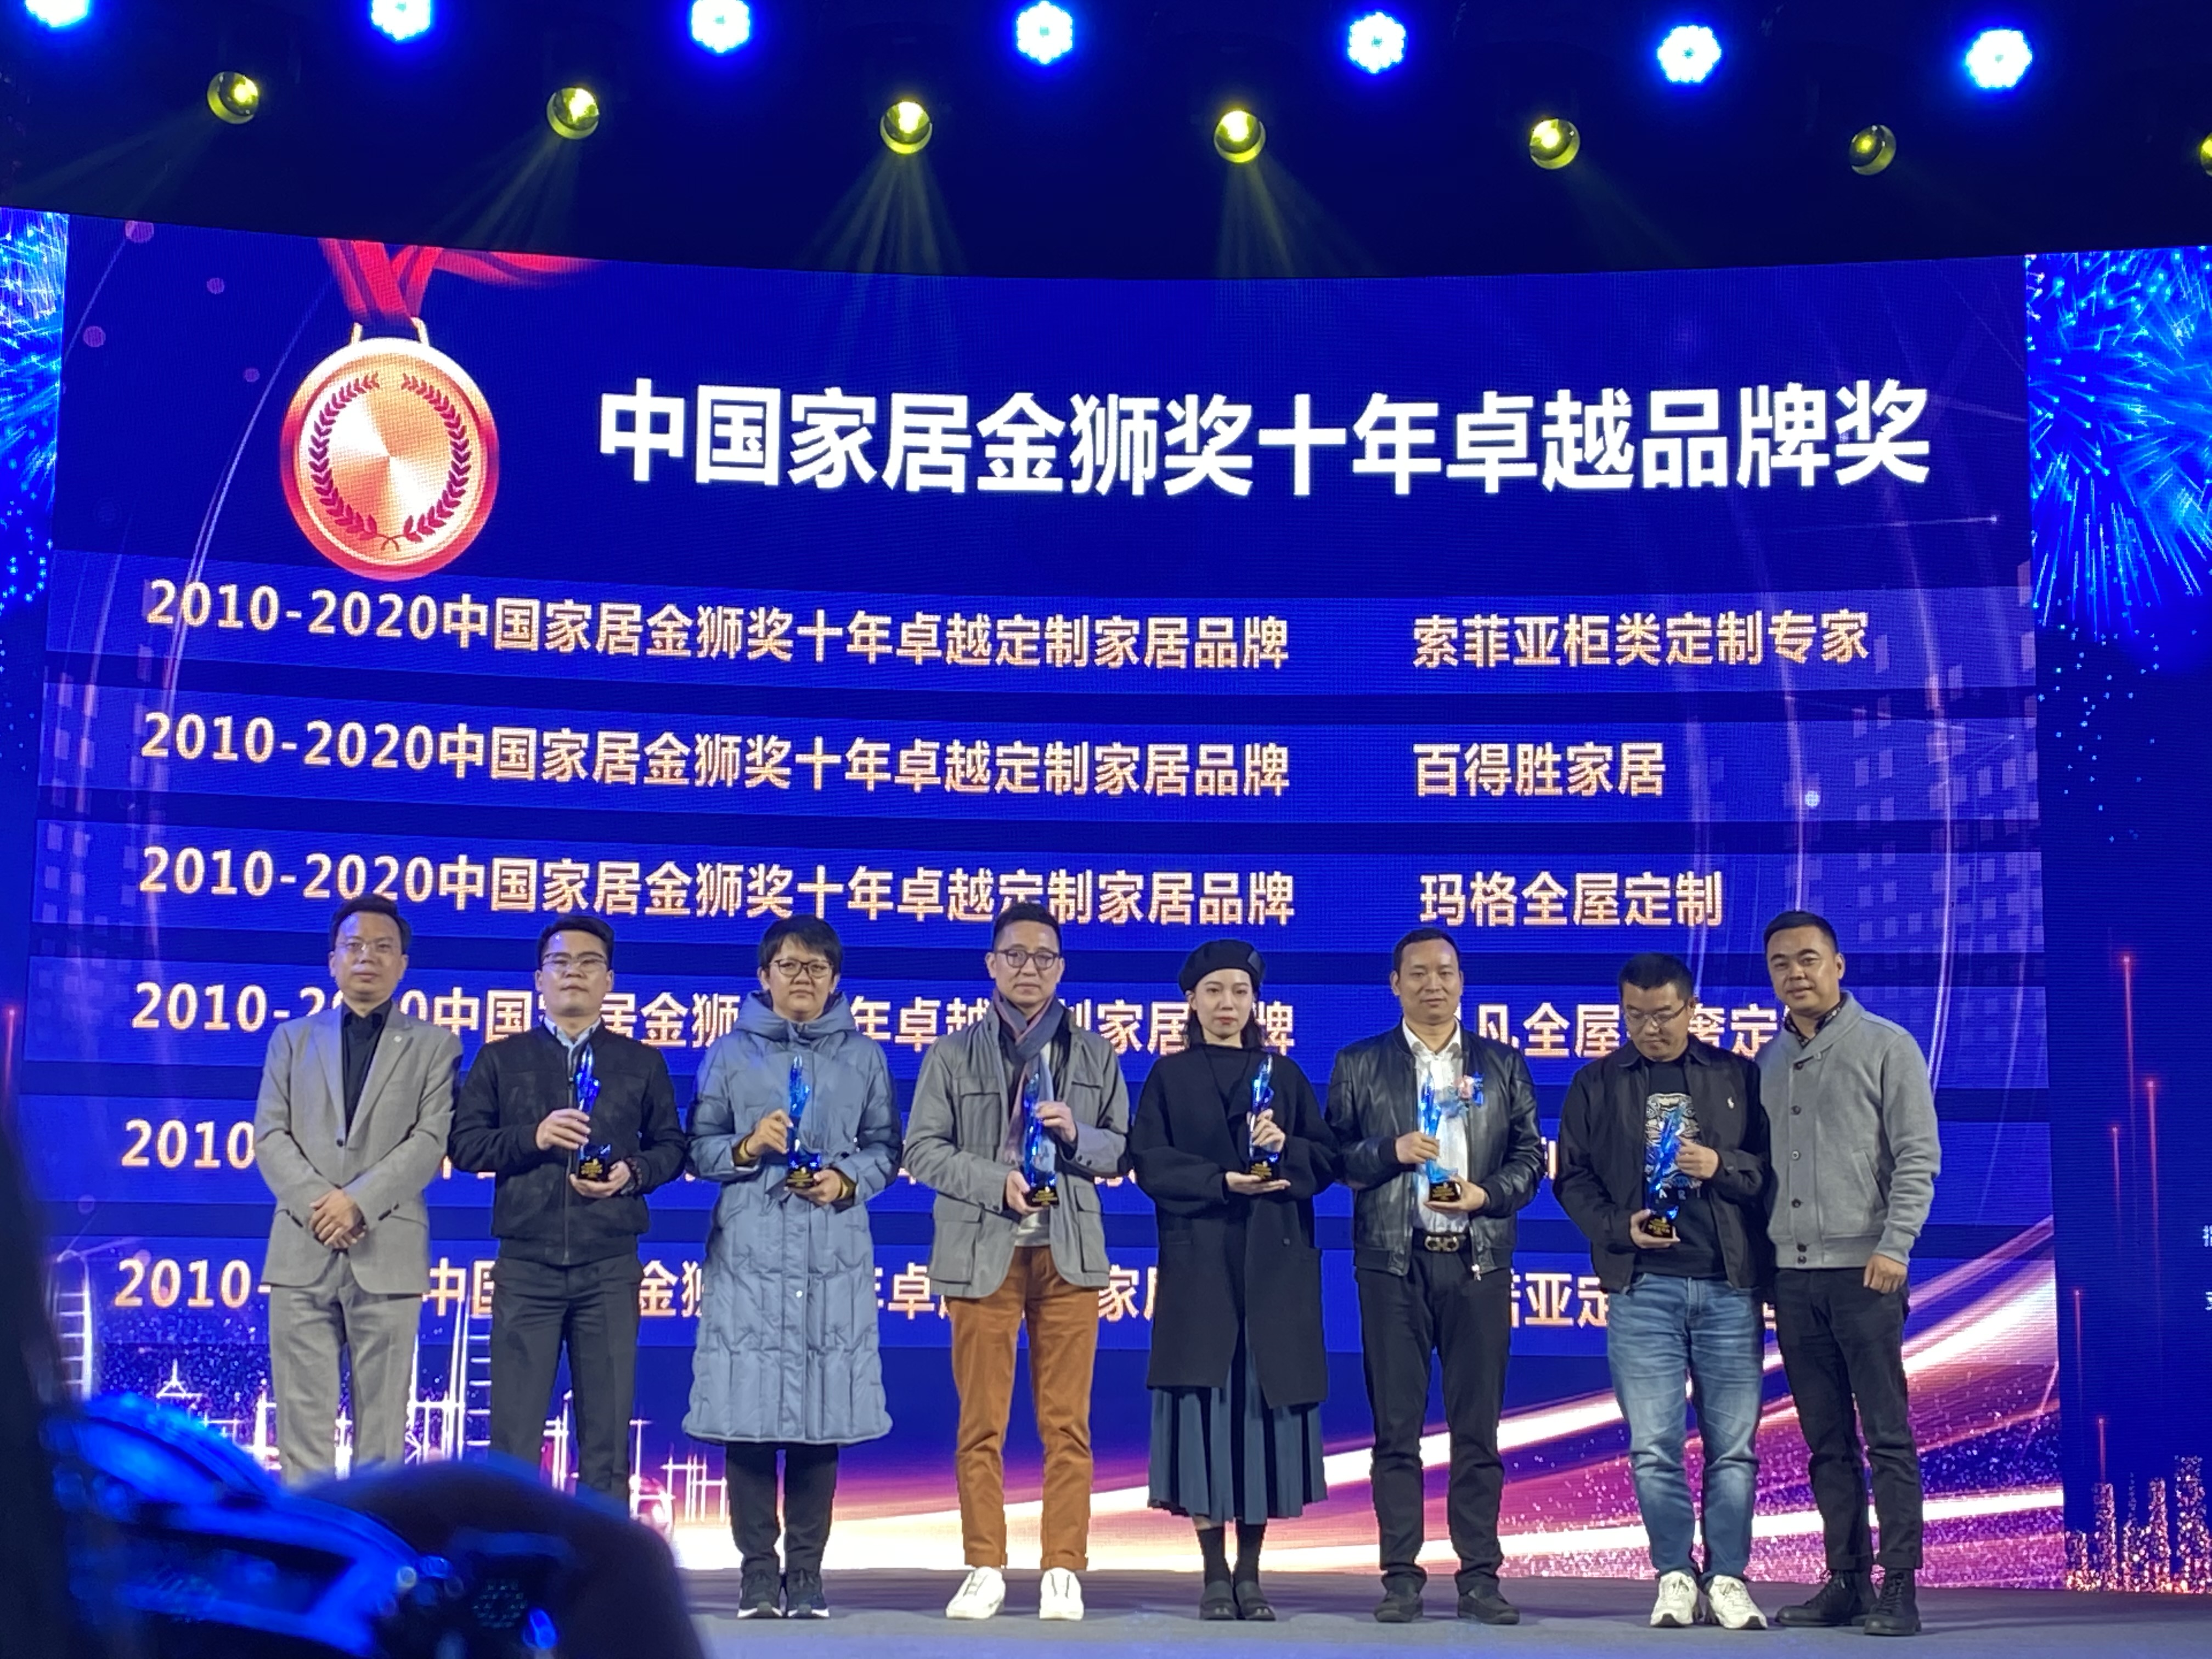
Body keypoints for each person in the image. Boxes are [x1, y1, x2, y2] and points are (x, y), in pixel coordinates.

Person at [903, 901, 1131, 1623]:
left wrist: (1077, 1137)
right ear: (991, 964)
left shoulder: (1093, 1053)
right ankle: (985, 1565)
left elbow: (1123, 1150)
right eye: (1015, 955)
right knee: (982, 1424)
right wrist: (993, 1180)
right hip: (983, 1252)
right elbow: (921, 1150)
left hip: (1068, 1252)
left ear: (1061, 969)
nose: (1029, 968)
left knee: (1068, 1424)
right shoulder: (951, 1054)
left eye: (1043, 957)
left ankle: (1063, 1567)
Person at [1325, 926, 1544, 1626]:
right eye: (1418, 973)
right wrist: (1389, 1151)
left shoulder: (1501, 1064)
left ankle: (1479, 1577)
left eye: (1445, 972)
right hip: (1394, 1263)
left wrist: (1487, 1195)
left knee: (1477, 1430)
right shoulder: (1360, 1064)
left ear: (1462, 981)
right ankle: (1401, 1577)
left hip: (1477, 1262)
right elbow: (1333, 1158)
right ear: (1395, 984)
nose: (1433, 984)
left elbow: (1530, 1159)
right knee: (1396, 1430)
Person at [684, 917, 900, 1620]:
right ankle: (756, 1573)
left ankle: (806, 1573)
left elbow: (886, 1148)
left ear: (835, 981)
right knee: (746, 1417)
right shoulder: (729, 1054)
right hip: (749, 1255)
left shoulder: (863, 1056)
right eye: (789, 966)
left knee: (820, 1416)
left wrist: (846, 1180)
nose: (802, 978)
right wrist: (747, 1147)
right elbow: (697, 1148)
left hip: (830, 1253)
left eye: (816, 968)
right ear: (764, 977)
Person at [1555, 952, 1774, 1631]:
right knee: (1654, 1446)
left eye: (1664, 1014)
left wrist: (1720, 1164)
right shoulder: (1596, 1083)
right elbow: (1572, 1178)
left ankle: (1728, 1576)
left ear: (1691, 1008)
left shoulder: (1737, 1075)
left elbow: (1769, 1169)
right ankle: (1675, 1573)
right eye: (1636, 1016)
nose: (1650, 1028)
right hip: (1643, 1287)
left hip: (1727, 1285)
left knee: (1733, 1447)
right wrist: (1617, 1228)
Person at [448, 913, 687, 1508]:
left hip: (609, 1268)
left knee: (606, 1443)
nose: (573, 973)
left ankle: (601, 1562)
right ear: (539, 979)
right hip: (526, 1268)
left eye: (588, 963)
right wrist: (533, 1136)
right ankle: (508, 1560)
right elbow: (465, 1145)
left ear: (609, 980)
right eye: (560, 962)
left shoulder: (640, 1062)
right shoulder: (501, 1059)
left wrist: (633, 1174)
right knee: (513, 1442)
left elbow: (672, 1148)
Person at [1130, 940, 1336, 1622]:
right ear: (1191, 1001)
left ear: (1255, 1002)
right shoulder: (1169, 1077)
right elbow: (1149, 1162)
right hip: (1201, 1268)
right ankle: (1214, 1573)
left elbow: (1326, 1160)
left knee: (1258, 1424)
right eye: (1214, 991)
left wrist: (1287, 1150)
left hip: (1273, 1270)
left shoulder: (1285, 1075)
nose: (1227, 1004)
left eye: (1239, 992)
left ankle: (1251, 1573)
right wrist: (1219, 1180)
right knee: (1205, 1419)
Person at [1759, 910, 1941, 1638]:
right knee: (1825, 1442)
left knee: (1887, 1435)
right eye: (1781, 963)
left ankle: (1900, 1584)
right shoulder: (1767, 1062)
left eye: (1808, 959)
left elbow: (1918, 1157)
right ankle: (1846, 1579)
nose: (1795, 973)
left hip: (1867, 1273)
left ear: (1838, 966)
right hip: (1793, 1281)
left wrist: (1895, 1246)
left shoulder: (1887, 1046)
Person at [254, 896, 459, 1483]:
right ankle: (308, 1540)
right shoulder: (291, 1039)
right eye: (354, 946)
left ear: (403, 964)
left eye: (382, 947)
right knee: (301, 1432)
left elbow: (429, 1141)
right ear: (333, 961)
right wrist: (321, 1206)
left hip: (387, 1251)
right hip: (302, 1249)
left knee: (383, 1439)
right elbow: (270, 1135)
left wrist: (358, 1204)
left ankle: (376, 1540)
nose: (367, 956)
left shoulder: (435, 1045)